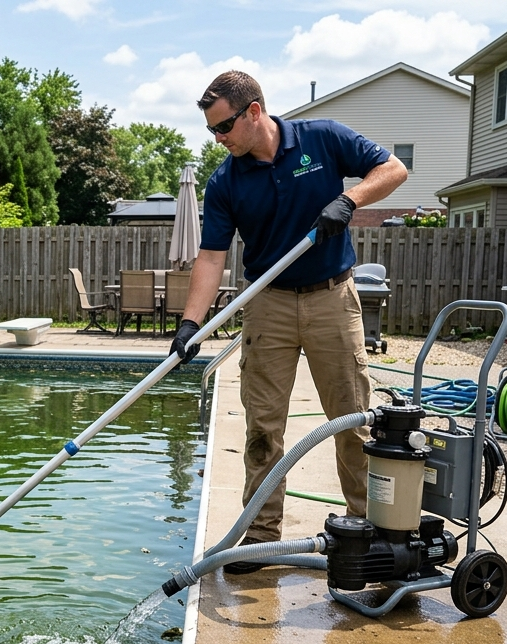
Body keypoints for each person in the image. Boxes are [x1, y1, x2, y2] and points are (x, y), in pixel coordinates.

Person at [169, 70, 408, 573]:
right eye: (212, 130)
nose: (218, 138)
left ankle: (369, 527)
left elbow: (393, 170)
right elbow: (211, 258)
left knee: (353, 419)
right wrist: (190, 324)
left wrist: (348, 201)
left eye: (224, 127)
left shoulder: (322, 139)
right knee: (263, 427)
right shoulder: (225, 180)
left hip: (331, 299)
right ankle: (260, 535)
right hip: (267, 305)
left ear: (253, 111)